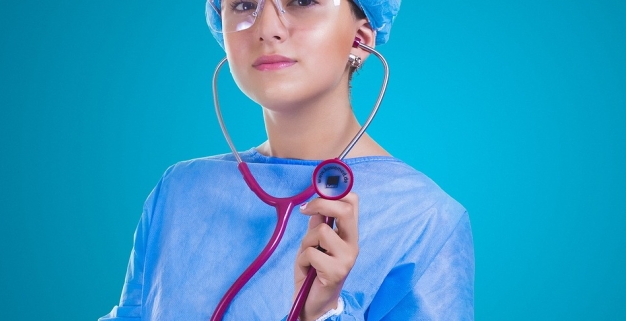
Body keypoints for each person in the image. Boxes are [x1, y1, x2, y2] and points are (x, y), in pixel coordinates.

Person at [99, 0, 474, 320]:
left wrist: (323, 313)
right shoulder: (180, 190)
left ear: (359, 39)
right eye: (244, 4)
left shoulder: (425, 217)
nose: (267, 28)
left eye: (302, 0)